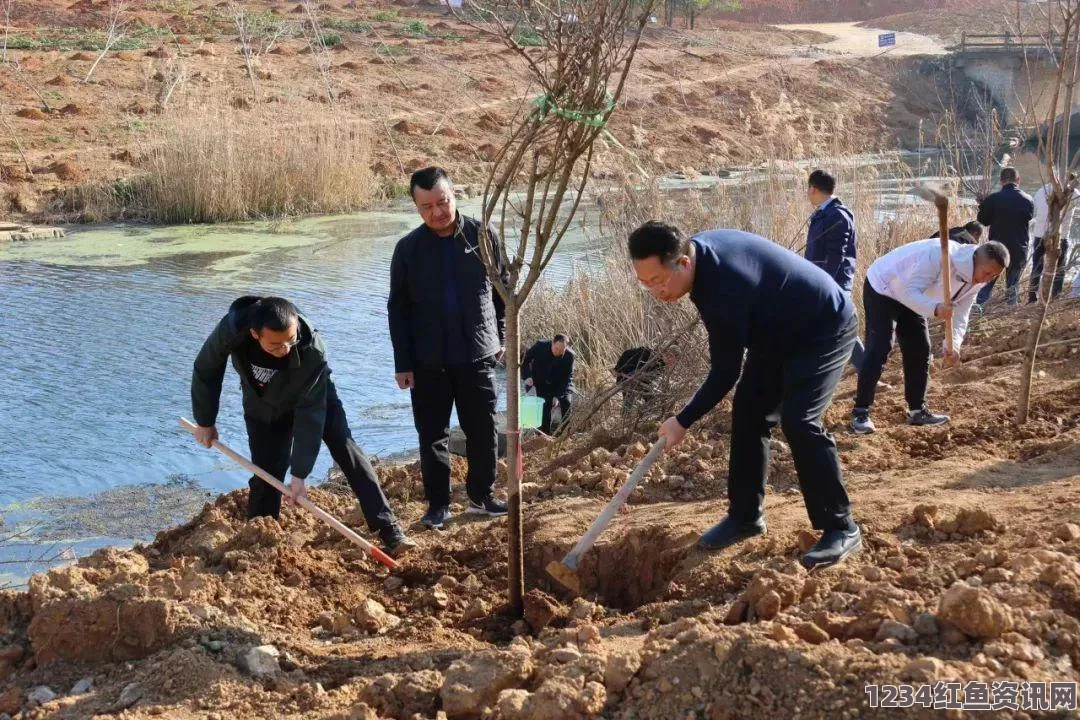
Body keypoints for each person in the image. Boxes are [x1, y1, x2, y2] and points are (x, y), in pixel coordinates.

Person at [628, 221, 861, 570]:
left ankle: (841, 527)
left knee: (800, 418)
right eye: (646, 284)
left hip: (823, 328)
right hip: (776, 335)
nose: (656, 292)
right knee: (750, 410)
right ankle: (745, 516)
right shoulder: (698, 255)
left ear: (684, 263)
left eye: (659, 281)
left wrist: (683, 421)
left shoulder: (724, 287)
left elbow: (725, 372)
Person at [190, 296, 417, 557]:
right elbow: (206, 368)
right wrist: (205, 421)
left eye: (290, 339)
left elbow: (310, 414)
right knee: (267, 471)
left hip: (316, 395)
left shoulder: (311, 349)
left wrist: (300, 474)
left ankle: (389, 530)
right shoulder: (232, 329)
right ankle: (260, 538)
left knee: (347, 449)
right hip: (263, 403)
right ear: (255, 334)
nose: (285, 348)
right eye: (275, 345)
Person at [388, 166, 509, 530]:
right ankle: (438, 505)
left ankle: (481, 495)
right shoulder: (407, 249)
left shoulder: (481, 235)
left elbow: (504, 291)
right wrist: (403, 363)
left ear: (454, 194)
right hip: (427, 360)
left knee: (483, 428)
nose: (437, 212)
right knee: (432, 434)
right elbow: (398, 309)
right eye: (427, 207)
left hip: (478, 352)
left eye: (443, 202)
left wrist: (501, 337)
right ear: (416, 208)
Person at [851, 239, 1010, 434]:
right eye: (986, 273)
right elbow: (910, 292)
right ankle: (861, 412)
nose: (987, 279)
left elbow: (961, 315)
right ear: (975, 258)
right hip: (885, 287)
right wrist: (935, 308)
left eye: (993, 276)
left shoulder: (977, 281)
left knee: (920, 349)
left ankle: (917, 410)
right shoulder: (939, 255)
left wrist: (954, 345)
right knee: (880, 347)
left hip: (917, 296)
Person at [806, 169, 864, 370]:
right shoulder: (825, 213)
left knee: (842, 327)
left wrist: (825, 283)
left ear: (813, 189)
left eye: (808, 189)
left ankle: (867, 371)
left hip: (834, 283)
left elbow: (836, 256)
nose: (807, 193)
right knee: (832, 327)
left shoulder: (837, 215)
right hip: (822, 280)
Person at [976, 168, 1034, 306]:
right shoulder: (1028, 199)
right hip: (1019, 248)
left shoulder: (993, 199)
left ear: (1002, 182)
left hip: (996, 249)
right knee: (1012, 285)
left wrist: (983, 206)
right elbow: (1029, 217)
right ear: (1018, 180)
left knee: (987, 282)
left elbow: (983, 221)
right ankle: (1010, 312)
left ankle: (977, 310)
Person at [1028, 178, 1079, 303]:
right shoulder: (1074, 193)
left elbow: (1035, 210)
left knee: (1036, 267)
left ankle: (1032, 297)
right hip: (1060, 236)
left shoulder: (1042, 190)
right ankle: (1055, 297)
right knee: (1060, 269)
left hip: (1040, 234)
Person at [521, 334, 576, 434]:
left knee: (566, 402)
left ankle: (565, 434)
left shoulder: (570, 356)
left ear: (566, 348)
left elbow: (567, 379)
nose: (558, 351)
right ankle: (543, 436)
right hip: (541, 382)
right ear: (552, 343)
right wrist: (527, 376)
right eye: (556, 348)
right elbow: (525, 361)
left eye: (561, 350)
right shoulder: (540, 346)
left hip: (560, 384)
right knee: (544, 408)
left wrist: (557, 396)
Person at [614, 344, 679, 417]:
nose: (671, 360)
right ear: (665, 353)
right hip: (626, 378)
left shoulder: (661, 367)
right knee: (628, 402)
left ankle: (643, 418)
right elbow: (627, 353)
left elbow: (648, 379)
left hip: (639, 382)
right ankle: (625, 419)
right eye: (670, 356)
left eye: (674, 359)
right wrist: (618, 369)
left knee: (650, 398)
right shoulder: (648, 353)